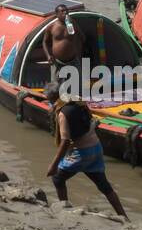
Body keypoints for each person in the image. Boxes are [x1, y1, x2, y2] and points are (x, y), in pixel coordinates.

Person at [44, 89, 128, 220]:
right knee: (104, 185)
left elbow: (65, 141)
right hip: (96, 148)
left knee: (57, 178)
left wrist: (53, 165)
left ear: (53, 100)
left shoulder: (63, 113)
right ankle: (124, 216)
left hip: (82, 153)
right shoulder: (78, 103)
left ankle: (64, 210)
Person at [42, 4, 83, 97]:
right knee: (55, 86)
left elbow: (82, 37)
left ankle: (76, 105)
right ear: (57, 14)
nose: (65, 13)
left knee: (76, 85)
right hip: (57, 61)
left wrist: (78, 51)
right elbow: (45, 42)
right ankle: (54, 104)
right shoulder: (51, 27)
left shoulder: (72, 24)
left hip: (73, 60)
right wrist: (48, 55)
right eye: (62, 12)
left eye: (67, 11)